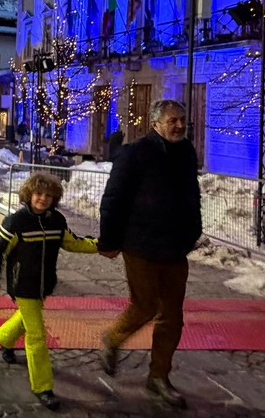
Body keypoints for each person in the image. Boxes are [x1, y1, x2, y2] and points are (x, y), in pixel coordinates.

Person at [97, 99, 202, 409]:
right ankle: (113, 338)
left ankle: (159, 376)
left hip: (174, 247)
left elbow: (192, 195)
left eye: (182, 120)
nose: (180, 125)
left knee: (172, 316)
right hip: (140, 244)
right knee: (145, 306)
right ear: (156, 123)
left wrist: (192, 232)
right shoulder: (135, 153)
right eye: (173, 120)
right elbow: (113, 198)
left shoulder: (186, 152)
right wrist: (109, 240)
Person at [0, 173, 98, 411]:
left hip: (44, 284)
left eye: (48, 195)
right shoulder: (15, 222)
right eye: (38, 194)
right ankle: (43, 387)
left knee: (26, 319)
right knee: (36, 335)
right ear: (29, 194)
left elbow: (73, 242)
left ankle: (4, 338)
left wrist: (101, 246)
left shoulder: (56, 220)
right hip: (23, 285)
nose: (43, 199)